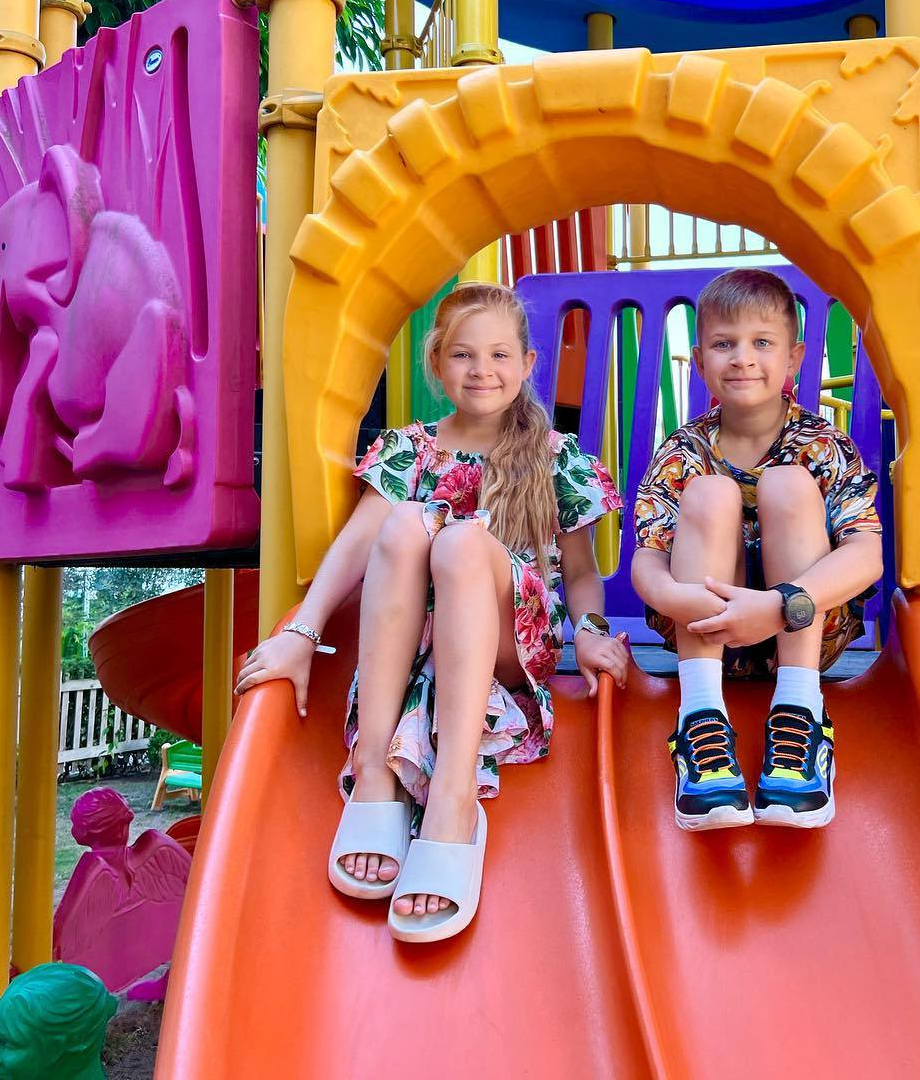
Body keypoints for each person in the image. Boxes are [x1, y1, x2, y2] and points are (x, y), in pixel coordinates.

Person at [235, 282, 627, 942]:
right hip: (414, 639)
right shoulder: (409, 448)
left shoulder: (556, 458)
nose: (483, 371)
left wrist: (588, 634)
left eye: (501, 355)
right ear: (437, 362)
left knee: (463, 541)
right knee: (405, 522)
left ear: (528, 365)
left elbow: (582, 577)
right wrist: (304, 630)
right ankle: (376, 774)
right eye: (465, 355)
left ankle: (452, 798)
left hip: (508, 645)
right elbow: (358, 544)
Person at [632, 268, 883, 832]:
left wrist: (779, 606)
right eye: (724, 344)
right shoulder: (684, 450)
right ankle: (699, 717)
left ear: (794, 358)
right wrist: (677, 596)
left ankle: (799, 714)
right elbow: (648, 557)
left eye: (761, 343)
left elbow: (866, 555)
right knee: (712, 492)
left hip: (801, 632)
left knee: (789, 483)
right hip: (704, 631)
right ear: (699, 361)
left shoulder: (822, 445)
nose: (743, 358)